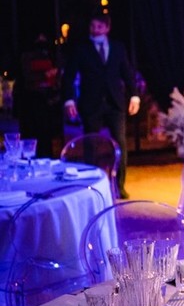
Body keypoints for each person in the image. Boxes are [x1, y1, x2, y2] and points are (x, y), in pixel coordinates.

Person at [61, 12, 140, 198]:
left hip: (115, 102)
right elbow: (69, 76)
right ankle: (93, 187)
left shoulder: (118, 47)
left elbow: (127, 73)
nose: (95, 30)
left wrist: (134, 95)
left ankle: (119, 186)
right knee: (91, 144)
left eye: (99, 27)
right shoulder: (81, 49)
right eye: (92, 26)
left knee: (120, 143)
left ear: (107, 28)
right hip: (91, 103)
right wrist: (69, 99)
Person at [13, 34, 63, 158]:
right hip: (30, 101)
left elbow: (57, 75)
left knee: (46, 134)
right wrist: (45, 75)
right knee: (32, 133)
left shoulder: (50, 55)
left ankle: (46, 156)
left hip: (47, 101)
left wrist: (55, 80)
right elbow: (26, 77)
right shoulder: (26, 56)